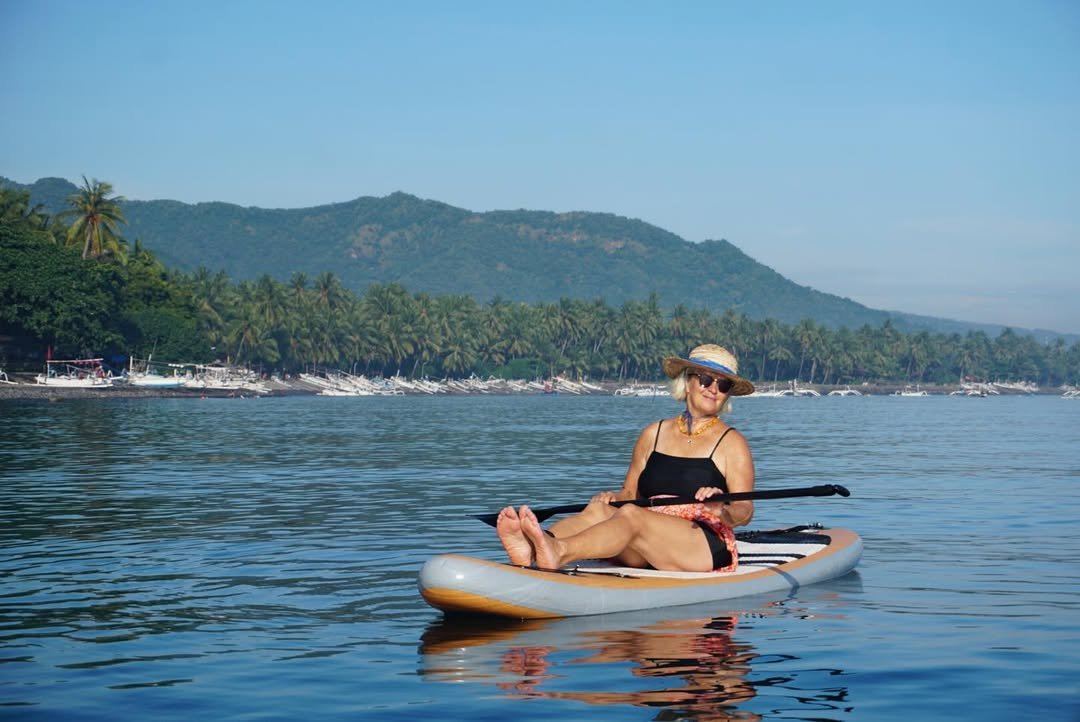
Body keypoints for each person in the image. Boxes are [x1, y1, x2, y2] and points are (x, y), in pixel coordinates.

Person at [497, 344, 756, 573]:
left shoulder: (732, 443)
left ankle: (558, 551)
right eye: (706, 380)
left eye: (723, 385)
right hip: (645, 540)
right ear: (687, 381)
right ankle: (534, 547)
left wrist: (720, 509)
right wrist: (613, 498)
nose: (714, 390)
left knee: (632, 515)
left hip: (702, 544)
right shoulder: (652, 434)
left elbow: (744, 511)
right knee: (601, 510)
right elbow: (629, 493)